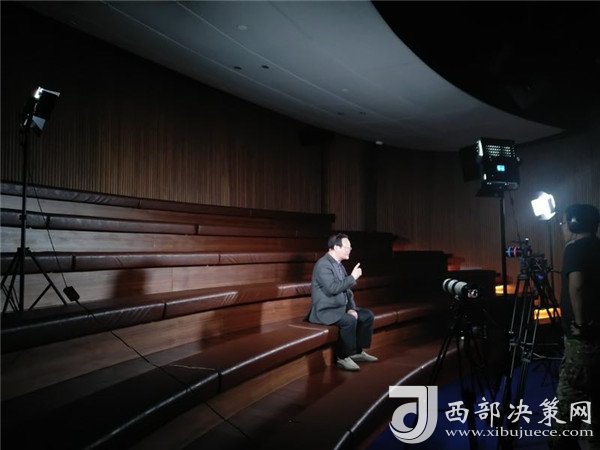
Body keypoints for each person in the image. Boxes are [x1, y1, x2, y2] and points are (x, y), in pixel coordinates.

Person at [550, 204, 600, 449]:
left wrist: (580, 324)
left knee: (569, 396)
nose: (562, 227)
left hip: (582, 340)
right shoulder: (597, 246)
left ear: (574, 224)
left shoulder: (574, 248)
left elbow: (576, 285)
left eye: (563, 222)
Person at [308, 233, 378, 371]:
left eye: (350, 247)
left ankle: (356, 352)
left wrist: (351, 308)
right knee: (349, 320)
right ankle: (343, 357)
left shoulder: (339, 265)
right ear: (336, 247)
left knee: (367, 315)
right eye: (347, 247)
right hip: (326, 311)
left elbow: (347, 291)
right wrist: (352, 277)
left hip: (340, 307)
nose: (349, 250)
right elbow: (333, 288)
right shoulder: (323, 264)